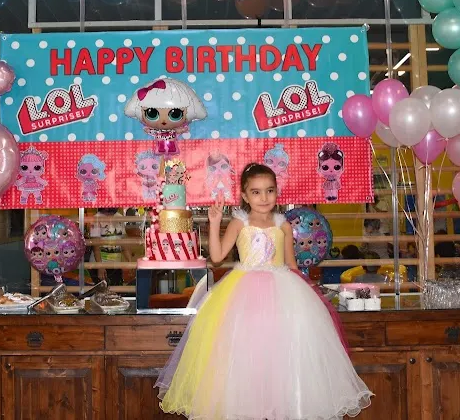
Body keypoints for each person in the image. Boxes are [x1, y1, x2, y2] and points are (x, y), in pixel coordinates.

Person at [157, 163, 372, 419]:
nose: (264, 198)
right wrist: (214, 223)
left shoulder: (284, 225)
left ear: (277, 192)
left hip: (283, 295)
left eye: (269, 191)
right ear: (245, 196)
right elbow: (216, 257)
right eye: (256, 192)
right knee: (246, 360)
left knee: (283, 361)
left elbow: (291, 264)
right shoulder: (239, 223)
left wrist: (310, 296)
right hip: (243, 297)